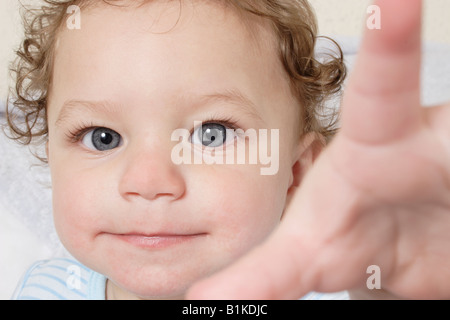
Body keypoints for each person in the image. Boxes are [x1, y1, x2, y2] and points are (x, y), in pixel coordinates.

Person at [5, 0, 449, 300]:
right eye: (102, 137)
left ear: (295, 175)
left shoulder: (326, 286)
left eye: (211, 134)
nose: (148, 182)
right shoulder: (46, 290)